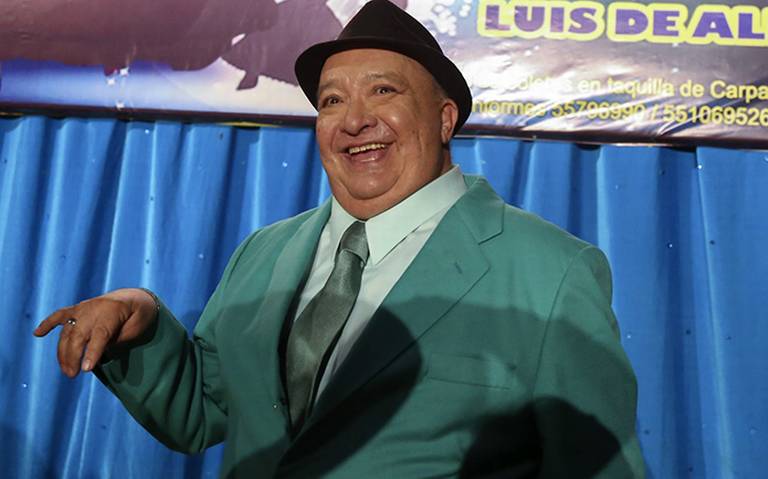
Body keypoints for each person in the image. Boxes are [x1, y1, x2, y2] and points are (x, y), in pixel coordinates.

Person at [35, 1, 645, 477]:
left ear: (444, 119)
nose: (354, 120)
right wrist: (142, 322)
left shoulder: (552, 271)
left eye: (384, 91)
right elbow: (206, 411)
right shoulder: (264, 252)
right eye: (332, 100)